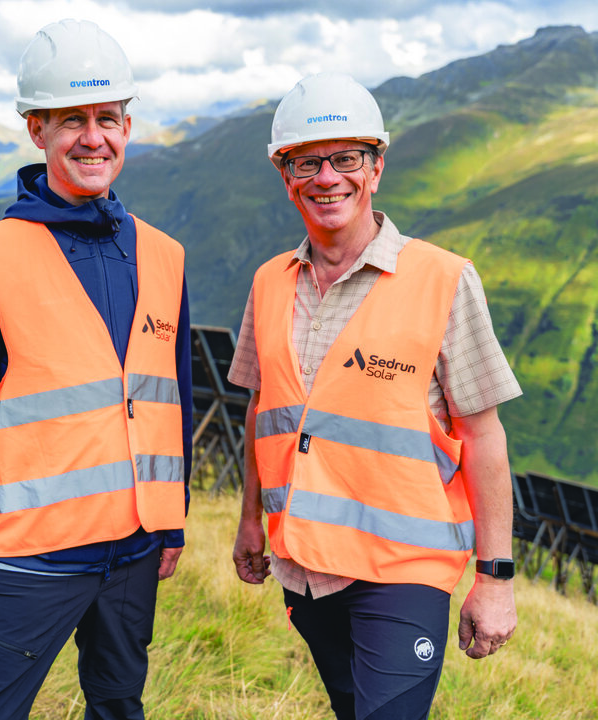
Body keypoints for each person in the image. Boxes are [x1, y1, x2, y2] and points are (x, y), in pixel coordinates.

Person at [0, 19, 191, 720]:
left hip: (134, 552)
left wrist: (172, 520)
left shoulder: (164, 255)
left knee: (119, 705)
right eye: (72, 120)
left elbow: (172, 399)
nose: (93, 137)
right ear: (37, 130)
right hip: (28, 558)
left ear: (128, 126)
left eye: (108, 118)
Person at [229, 72, 521, 720]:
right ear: (286, 174)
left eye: (346, 159)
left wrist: (495, 579)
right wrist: (252, 520)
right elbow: (263, 409)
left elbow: (483, 434)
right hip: (304, 569)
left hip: (404, 574)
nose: (327, 177)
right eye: (307, 162)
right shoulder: (268, 284)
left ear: (376, 168)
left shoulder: (444, 280)